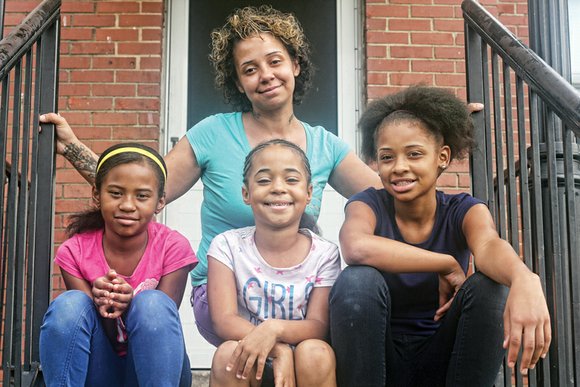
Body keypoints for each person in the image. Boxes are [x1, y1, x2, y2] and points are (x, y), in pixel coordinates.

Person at [39, 5, 381, 346]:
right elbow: (140, 190)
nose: (265, 75)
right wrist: (72, 147)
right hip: (225, 298)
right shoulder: (212, 133)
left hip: (296, 299)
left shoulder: (326, 146)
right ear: (238, 82)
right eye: (250, 69)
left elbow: (390, 198)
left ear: (295, 64)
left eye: (275, 61)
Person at [329, 86, 551, 386]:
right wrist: (444, 263)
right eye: (387, 157)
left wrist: (524, 278)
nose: (400, 167)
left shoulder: (463, 209)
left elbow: (488, 245)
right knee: (357, 279)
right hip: (379, 360)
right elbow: (355, 246)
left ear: (442, 157)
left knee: (491, 286)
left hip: (443, 357)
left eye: (414, 154)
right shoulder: (368, 203)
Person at [39, 143, 197, 387]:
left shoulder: (172, 247)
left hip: (156, 369)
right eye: (115, 193)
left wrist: (129, 302)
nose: (127, 205)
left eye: (142, 196)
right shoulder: (75, 251)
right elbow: (94, 327)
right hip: (99, 368)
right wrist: (101, 300)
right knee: (68, 304)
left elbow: (163, 323)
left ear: (160, 201)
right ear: (96, 195)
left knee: (152, 303)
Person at [208, 139, 339, 387]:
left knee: (316, 352)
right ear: (246, 193)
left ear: (309, 193)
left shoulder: (325, 253)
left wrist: (274, 329)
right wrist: (278, 349)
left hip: (304, 365)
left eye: (291, 180)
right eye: (264, 180)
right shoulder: (227, 246)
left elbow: (318, 325)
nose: (278, 188)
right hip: (250, 358)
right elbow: (224, 320)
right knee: (227, 353)